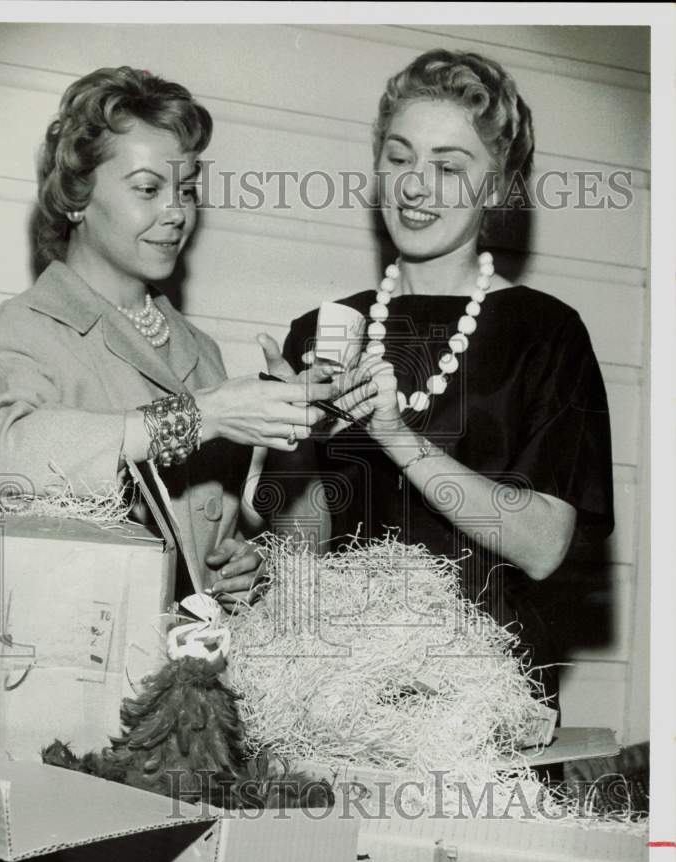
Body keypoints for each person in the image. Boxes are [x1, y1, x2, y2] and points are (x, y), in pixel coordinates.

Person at [258, 49, 614, 709]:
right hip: (344, 697)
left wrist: (395, 437)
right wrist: (295, 435)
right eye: (398, 158)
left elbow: (541, 544)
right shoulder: (324, 330)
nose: (414, 186)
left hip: (489, 704)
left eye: (448, 167)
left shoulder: (546, 334)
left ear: (498, 187)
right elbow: (297, 564)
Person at [0, 66, 336, 610]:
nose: (177, 212)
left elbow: (233, 545)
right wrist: (197, 417)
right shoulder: (29, 325)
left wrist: (245, 566)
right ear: (75, 197)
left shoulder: (199, 350)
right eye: (148, 189)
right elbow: (10, 463)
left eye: (185, 189)